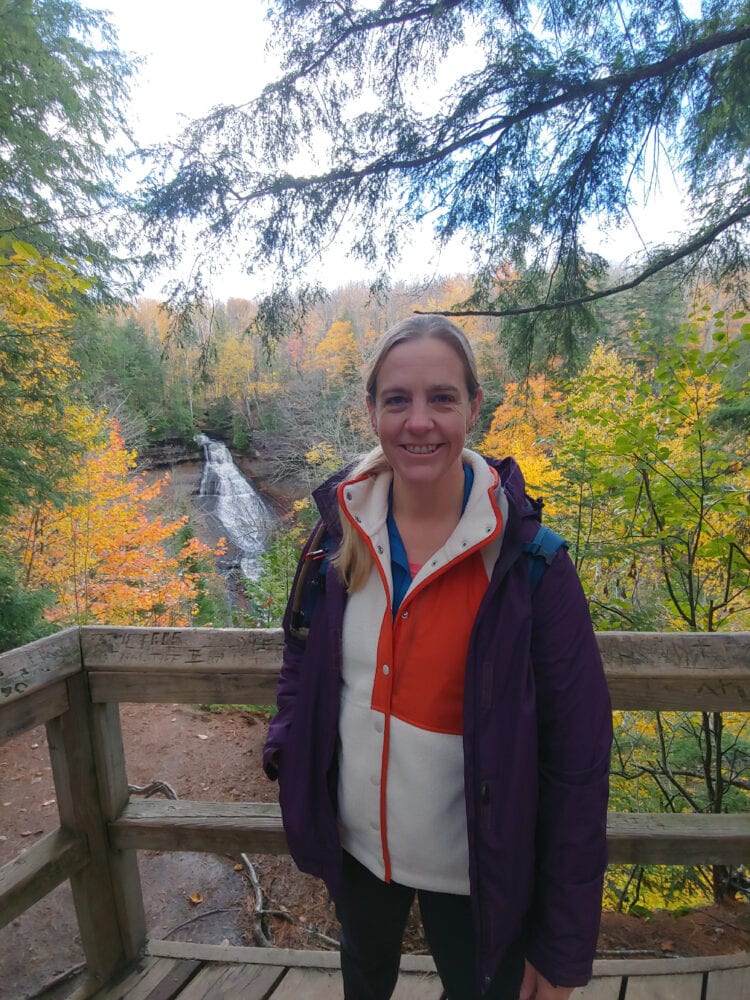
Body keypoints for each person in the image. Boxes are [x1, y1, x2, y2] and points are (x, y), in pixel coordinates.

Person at [263, 315, 612, 1000]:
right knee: (363, 976)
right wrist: (287, 750)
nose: (418, 422)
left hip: (480, 870)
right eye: (397, 399)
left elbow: (577, 765)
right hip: (358, 849)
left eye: (441, 398)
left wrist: (562, 949)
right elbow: (301, 660)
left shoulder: (530, 564)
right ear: (371, 411)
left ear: (474, 407)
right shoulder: (334, 540)